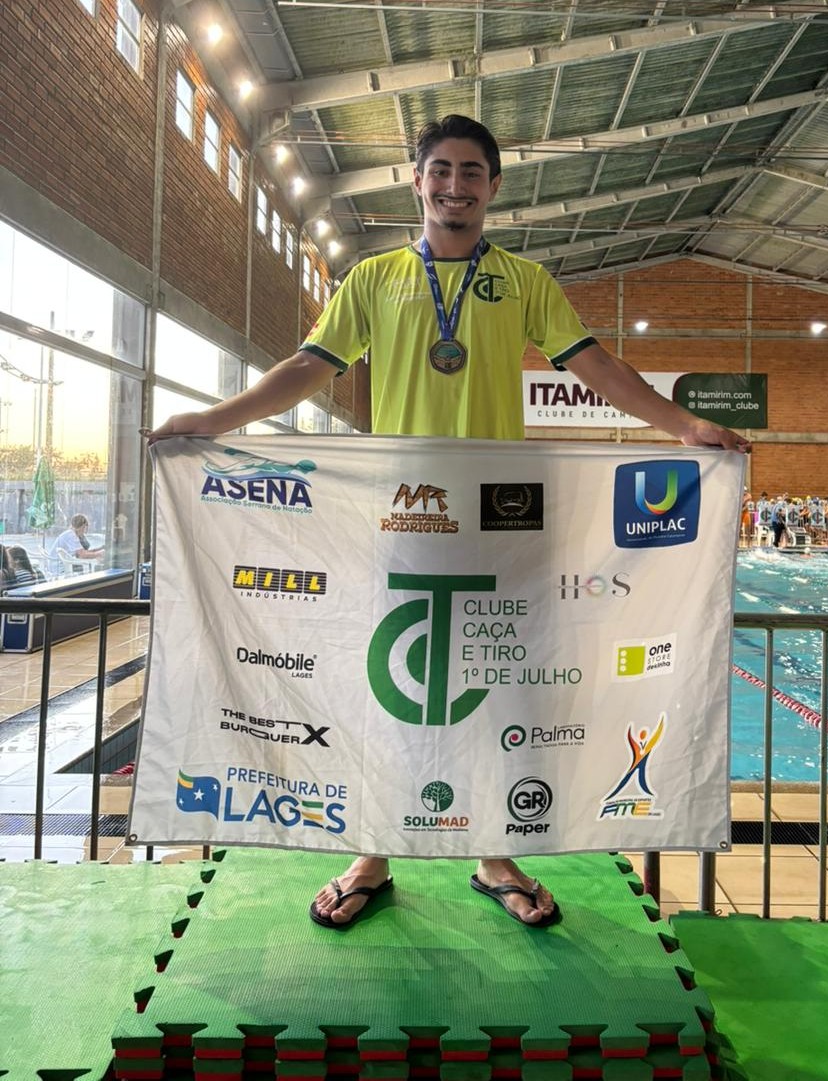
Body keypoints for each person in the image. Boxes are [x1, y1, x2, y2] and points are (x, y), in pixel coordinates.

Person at [148, 114, 751, 930]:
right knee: (386, 689)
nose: (455, 186)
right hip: (399, 518)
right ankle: (372, 851)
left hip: (501, 523)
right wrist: (214, 420)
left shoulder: (524, 282)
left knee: (501, 687)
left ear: (493, 186)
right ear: (417, 180)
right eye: (441, 170)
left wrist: (682, 426)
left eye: (471, 172)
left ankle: (494, 853)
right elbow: (306, 367)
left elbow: (596, 365)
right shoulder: (374, 279)